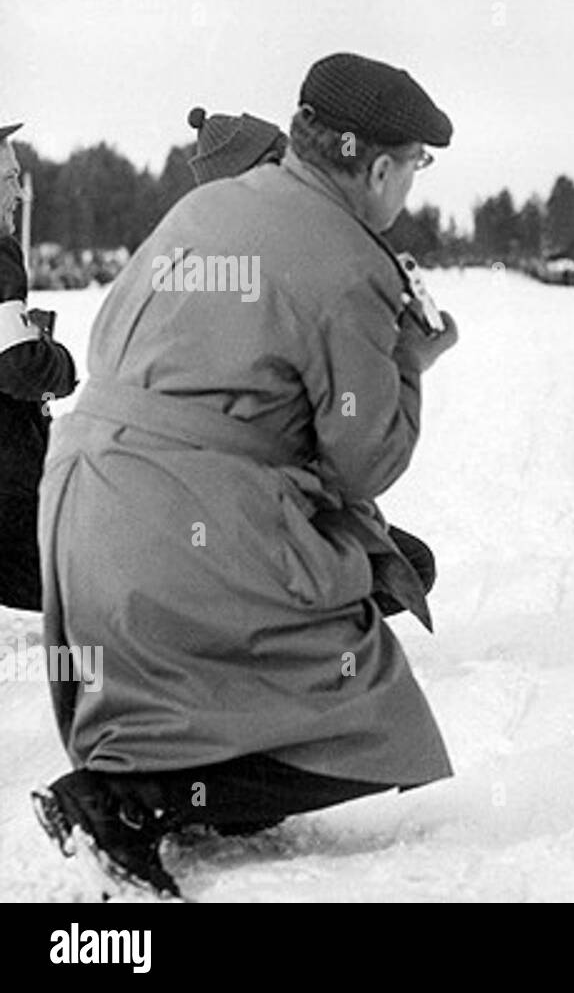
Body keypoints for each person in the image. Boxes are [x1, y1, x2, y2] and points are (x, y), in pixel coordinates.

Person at [31, 53, 459, 898]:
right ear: (377, 168)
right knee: (373, 711)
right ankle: (130, 800)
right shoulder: (350, 261)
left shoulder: (208, 203)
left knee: (212, 678)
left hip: (83, 505)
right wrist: (408, 361)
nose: (411, 185)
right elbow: (364, 459)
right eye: (414, 166)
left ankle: (162, 787)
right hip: (176, 522)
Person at [184, 104, 438, 612]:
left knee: (402, 562)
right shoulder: (268, 270)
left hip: (200, 500)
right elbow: (353, 456)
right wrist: (405, 361)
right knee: (398, 568)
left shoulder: (208, 253)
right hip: (227, 512)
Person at [0, 122, 78, 611]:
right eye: (9, 179)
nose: (19, 194)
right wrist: (62, 364)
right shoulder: (0, 252)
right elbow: (16, 363)